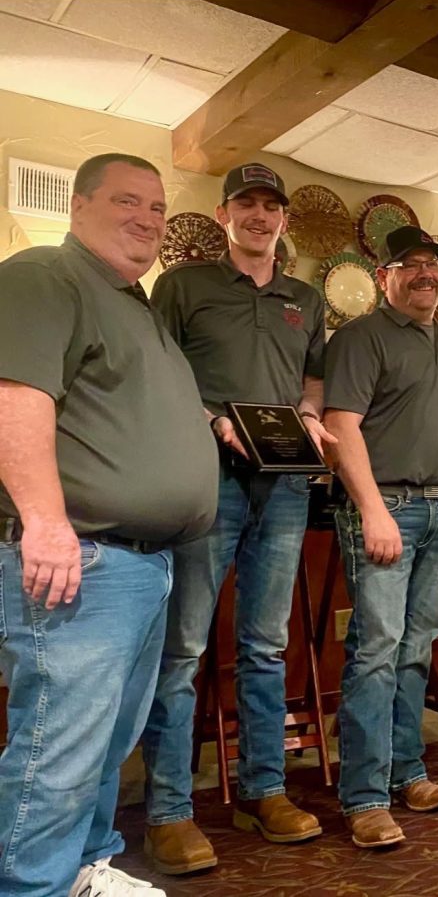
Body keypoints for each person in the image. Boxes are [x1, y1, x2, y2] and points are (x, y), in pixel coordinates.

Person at [0, 153, 218, 897]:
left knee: (105, 744)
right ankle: (30, 887)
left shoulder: (135, 303)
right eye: (129, 201)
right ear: (79, 203)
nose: (149, 219)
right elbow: (15, 396)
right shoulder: (43, 276)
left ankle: (84, 869)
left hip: (145, 563)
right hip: (83, 557)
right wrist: (45, 521)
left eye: (158, 208)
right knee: (56, 750)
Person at [142, 163, 335, 874]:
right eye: (247, 204)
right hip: (208, 479)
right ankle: (167, 809)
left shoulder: (305, 298)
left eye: (271, 207)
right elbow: (156, 369)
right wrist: (210, 420)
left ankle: (263, 789)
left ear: (284, 220)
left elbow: (314, 374)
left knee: (263, 644)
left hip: (283, 485)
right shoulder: (182, 286)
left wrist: (310, 416)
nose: (260, 216)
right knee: (186, 645)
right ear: (224, 213)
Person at [323, 225, 438, 849]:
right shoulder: (360, 336)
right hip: (389, 507)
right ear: (385, 277)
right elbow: (340, 427)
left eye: (433, 263)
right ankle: (364, 796)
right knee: (377, 650)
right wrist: (374, 510)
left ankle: (409, 771)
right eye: (411, 265)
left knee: (416, 649)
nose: (426, 274)